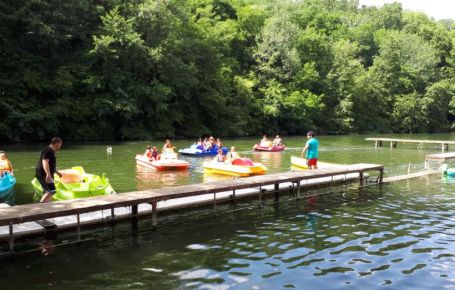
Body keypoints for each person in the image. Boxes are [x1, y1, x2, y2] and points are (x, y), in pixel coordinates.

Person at [36, 137, 63, 203]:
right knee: (51, 191)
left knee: (48, 191)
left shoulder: (50, 150)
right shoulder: (49, 150)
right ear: (56, 143)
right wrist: (48, 174)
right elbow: (45, 161)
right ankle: (41, 207)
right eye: (59, 145)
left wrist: (57, 173)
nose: (59, 147)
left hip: (46, 174)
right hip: (43, 174)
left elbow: (51, 165)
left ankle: (47, 206)